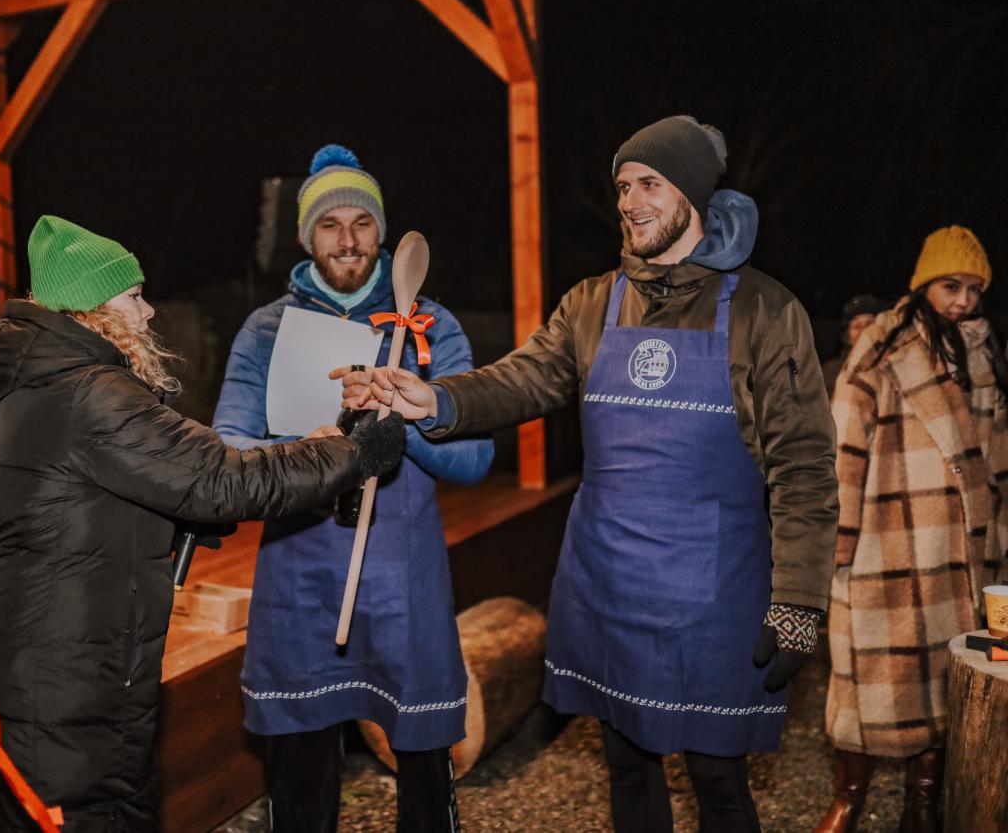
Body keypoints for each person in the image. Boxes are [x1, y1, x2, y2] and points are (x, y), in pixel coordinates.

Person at [342, 116, 839, 832]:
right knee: (627, 765)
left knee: (719, 780)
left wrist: (798, 598)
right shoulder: (592, 302)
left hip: (714, 589)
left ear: (693, 193)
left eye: (649, 183)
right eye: (623, 187)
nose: (629, 201)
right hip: (609, 580)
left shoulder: (764, 309)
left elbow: (804, 467)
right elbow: (520, 380)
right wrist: (437, 400)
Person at [0, 215, 406, 831]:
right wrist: (352, 454)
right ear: (92, 310)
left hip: (25, 658)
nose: (149, 311)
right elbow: (223, 480)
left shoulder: (35, 380)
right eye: (134, 297)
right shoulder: (91, 393)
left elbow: (101, 492)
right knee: (87, 814)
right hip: (56, 679)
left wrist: (174, 517)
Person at [213, 144, 493, 832]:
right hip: (299, 569)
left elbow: (475, 458)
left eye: (362, 223)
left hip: (403, 571)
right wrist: (313, 450)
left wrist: (401, 413)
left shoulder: (428, 328)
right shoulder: (266, 329)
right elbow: (229, 449)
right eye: (330, 224)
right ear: (307, 236)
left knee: (423, 763)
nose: (347, 239)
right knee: (300, 770)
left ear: (382, 233)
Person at [817, 225, 1007, 833]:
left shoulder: (981, 351)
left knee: (943, 693)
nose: (963, 301)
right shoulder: (881, 345)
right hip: (890, 545)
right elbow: (844, 448)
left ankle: (922, 802)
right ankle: (848, 799)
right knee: (869, 691)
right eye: (952, 286)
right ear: (924, 283)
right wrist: (836, 549)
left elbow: (998, 456)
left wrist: (999, 542)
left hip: (961, 555)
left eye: (974, 289)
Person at [821, 294, 891, 397]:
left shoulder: (892, 367)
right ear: (847, 336)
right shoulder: (832, 371)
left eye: (870, 324)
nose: (864, 332)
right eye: (857, 326)